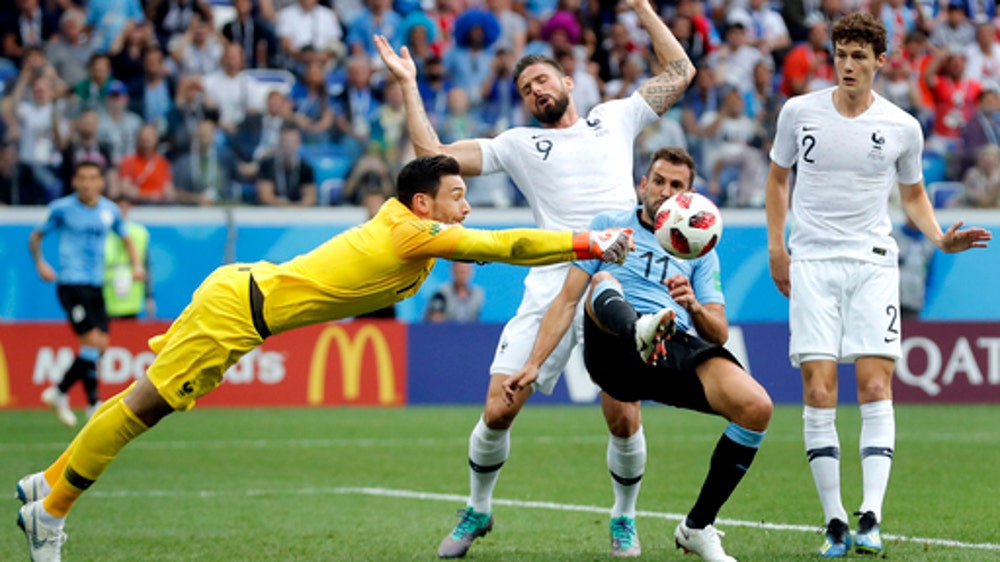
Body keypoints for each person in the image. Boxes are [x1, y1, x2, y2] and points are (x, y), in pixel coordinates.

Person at [14, 154, 636, 561]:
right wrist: (589, 239)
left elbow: (477, 221)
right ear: (425, 205)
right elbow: (507, 244)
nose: (465, 206)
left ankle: (47, 481)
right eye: (456, 195)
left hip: (241, 295)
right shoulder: (410, 230)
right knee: (139, 409)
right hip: (237, 313)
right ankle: (51, 513)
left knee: (138, 402)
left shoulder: (409, 225)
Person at [375, 0, 697, 556]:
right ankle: (477, 509)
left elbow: (680, 72)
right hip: (552, 278)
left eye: (543, 80)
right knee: (499, 405)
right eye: (526, 88)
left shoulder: (616, 116)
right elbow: (433, 156)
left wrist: (642, 8)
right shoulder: (519, 144)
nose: (536, 91)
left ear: (569, 81)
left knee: (623, 414)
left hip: (614, 277)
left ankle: (624, 517)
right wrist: (408, 84)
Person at [764, 12, 992, 558]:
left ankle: (871, 516)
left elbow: (912, 194)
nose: (847, 65)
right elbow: (777, 179)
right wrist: (778, 247)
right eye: (841, 54)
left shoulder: (902, 126)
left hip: (872, 264)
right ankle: (835, 520)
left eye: (858, 56)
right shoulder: (799, 113)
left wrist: (938, 237)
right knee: (819, 389)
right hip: (814, 261)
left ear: (880, 62)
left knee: (874, 387)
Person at [505, 147, 772, 561]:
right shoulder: (609, 226)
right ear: (642, 184)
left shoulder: (700, 248)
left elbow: (718, 332)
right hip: (613, 342)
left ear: (689, 195)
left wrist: (694, 305)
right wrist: (534, 364)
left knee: (757, 407)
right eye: (659, 181)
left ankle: (698, 527)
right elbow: (566, 300)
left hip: (672, 343)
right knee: (604, 278)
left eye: (676, 185)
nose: (665, 191)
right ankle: (639, 328)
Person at [28, 161, 145, 429]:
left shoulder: (109, 211)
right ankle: (93, 403)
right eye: (82, 178)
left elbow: (126, 238)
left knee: (100, 345)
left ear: (102, 183)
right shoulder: (62, 209)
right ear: (74, 182)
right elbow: (35, 237)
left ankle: (61, 392)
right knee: (92, 340)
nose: (88, 183)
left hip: (96, 285)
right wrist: (41, 264)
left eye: (93, 178)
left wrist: (136, 265)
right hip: (71, 284)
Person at [104, 193, 154, 320]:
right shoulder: (102, 232)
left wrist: (149, 296)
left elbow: (146, 264)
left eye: (124, 207)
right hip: (105, 295)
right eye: (117, 207)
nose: (121, 211)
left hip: (131, 297)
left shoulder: (139, 232)